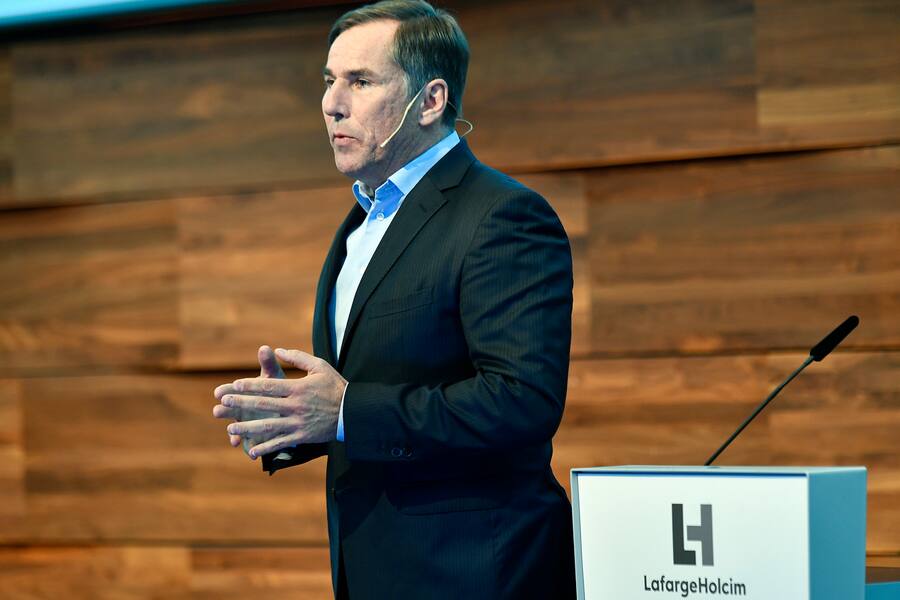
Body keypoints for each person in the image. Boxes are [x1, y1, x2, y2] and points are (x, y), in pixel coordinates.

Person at [212, 1, 575, 598]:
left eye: (361, 81)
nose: (332, 102)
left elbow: (522, 402)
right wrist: (296, 420)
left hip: (474, 573)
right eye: (330, 80)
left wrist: (348, 412)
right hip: (373, 569)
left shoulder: (502, 215)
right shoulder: (359, 224)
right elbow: (377, 388)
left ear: (431, 102)